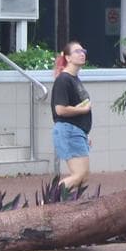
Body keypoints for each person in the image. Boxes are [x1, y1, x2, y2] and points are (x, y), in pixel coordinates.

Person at [51, 40, 92, 190]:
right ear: (68, 58)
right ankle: (47, 203)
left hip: (77, 131)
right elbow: (60, 110)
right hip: (68, 131)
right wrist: (84, 110)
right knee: (79, 175)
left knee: (84, 176)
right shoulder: (64, 79)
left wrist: (85, 132)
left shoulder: (74, 79)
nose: (82, 54)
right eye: (77, 51)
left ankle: (62, 206)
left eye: (83, 51)